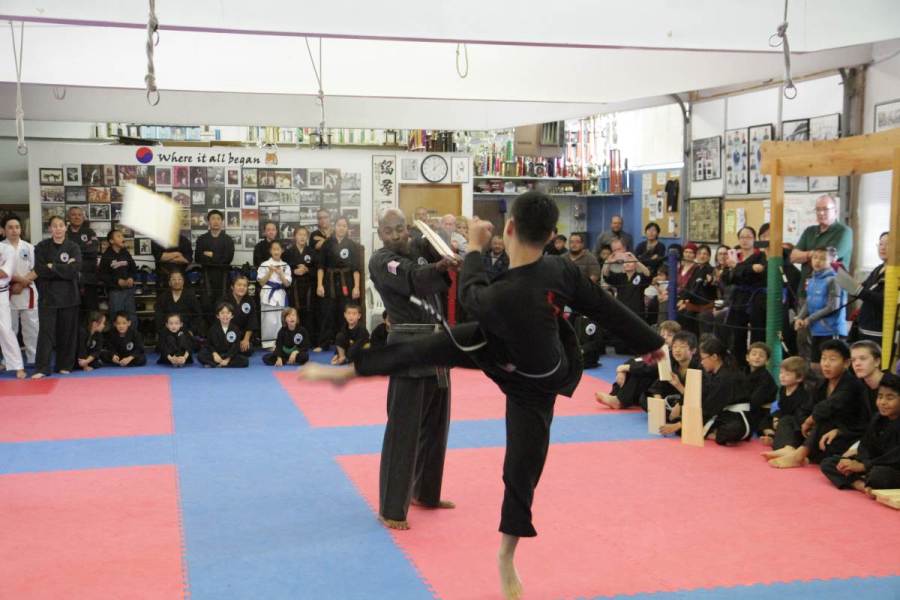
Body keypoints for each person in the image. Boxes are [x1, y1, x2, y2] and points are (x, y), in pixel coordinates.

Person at [300, 191, 665, 600]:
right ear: (551, 234)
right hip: (504, 348)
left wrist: (473, 247)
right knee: (425, 350)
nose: (398, 233)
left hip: (531, 381)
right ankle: (350, 370)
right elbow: (603, 305)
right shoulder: (559, 268)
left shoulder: (505, 291)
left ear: (508, 228)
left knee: (520, 469)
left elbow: (473, 295)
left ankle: (505, 556)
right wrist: (651, 341)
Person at [366, 208, 457, 529]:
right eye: (389, 231)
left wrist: (444, 245)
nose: (396, 235)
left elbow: (437, 250)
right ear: (380, 234)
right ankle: (391, 509)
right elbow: (414, 278)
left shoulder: (418, 245)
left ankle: (426, 493)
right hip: (408, 347)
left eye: (400, 228)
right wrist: (440, 266)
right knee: (403, 431)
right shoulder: (381, 261)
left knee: (436, 426)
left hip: (438, 346)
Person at [764, 339, 868, 468]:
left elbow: (828, 406)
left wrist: (810, 421)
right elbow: (806, 408)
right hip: (816, 433)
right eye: (823, 358)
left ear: (846, 363)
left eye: (832, 359)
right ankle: (789, 448)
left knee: (822, 420)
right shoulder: (822, 384)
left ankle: (799, 455)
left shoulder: (852, 384)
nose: (826, 364)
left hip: (841, 434)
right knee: (787, 420)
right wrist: (805, 422)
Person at [659, 337, 753, 445]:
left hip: (737, 416)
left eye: (703, 358)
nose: (702, 362)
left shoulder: (726, 377)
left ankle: (712, 433)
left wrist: (679, 425)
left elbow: (709, 408)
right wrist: (678, 386)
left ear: (714, 357)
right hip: (721, 414)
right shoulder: (714, 374)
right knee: (682, 426)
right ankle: (711, 432)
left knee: (729, 431)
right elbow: (702, 398)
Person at [820, 372, 900, 494]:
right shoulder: (877, 418)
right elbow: (865, 445)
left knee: (878, 475)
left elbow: (895, 457)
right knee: (830, 463)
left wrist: (864, 466)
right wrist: (858, 462)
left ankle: (864, 480)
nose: (883, 402)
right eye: (880, 397)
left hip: (892, 468)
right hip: (873, 464)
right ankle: (861, 485)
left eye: (890, 398)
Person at [33, 215, 82, 379]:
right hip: (48, 297)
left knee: (67, 333)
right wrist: (63, 268)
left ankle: (64, 365)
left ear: (65, 227)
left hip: (69, 296)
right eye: (54, 226)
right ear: (50, 229)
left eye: (61, 225)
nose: (58, 228)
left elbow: (74, 270)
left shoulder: (73, 247)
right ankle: (42, 368)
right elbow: (40, 270)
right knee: (46, 334)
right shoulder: (41, 247)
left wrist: (52, 266)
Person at [595, 320, 681, 409]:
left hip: (662, 385)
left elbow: (651, 368)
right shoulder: (657, 348)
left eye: (669, 335)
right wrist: (622, 369)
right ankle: (615, 395)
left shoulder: (674, 352)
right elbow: (637, 359)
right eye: (662, 335)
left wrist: (627, 368)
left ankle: (620, 401)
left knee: (638, 372)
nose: (665, 338)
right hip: (649, 383)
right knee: (632, 369)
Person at [793, 247, 848, 365]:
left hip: (831, 330)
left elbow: (833, 306)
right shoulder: (812, 279)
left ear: (831, 260)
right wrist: (800, 317)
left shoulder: (834, 279)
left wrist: (809, 319)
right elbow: (808, 301)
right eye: (815, 257)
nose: (817, 261)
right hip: (816, 330)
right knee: (815, 365)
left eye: (823, 259)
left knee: (831, 366)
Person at [790, 194, 853, 294]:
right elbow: (793, 257)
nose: (821, 213)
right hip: (805, 290)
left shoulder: (844, 231)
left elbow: (828, 258)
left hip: (830, 293)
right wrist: (812, 254)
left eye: (825, 209)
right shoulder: (809, 231)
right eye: (818, 209)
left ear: (835, 211)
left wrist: (805, 255)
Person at [723, 226, 767, 367]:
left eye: (748, 237)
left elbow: (759, 272)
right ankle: (739, 365)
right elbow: (727, 278)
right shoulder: (734, 255)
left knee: (757, 334)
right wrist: (746, 269)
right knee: (737, 334)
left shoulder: (761, 255)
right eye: (742, 237)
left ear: (754, 239)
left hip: (756, 297)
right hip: (738, 297)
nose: (745, 240)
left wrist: (738, 268)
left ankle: (756, 365)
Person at [316, 216, 361, 350]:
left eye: (344, 226)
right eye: (339, 225)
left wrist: (356, 287)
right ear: (334, 227)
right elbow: (321, 266)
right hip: (329, 281)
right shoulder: (327, 243)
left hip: (346, 281)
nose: (341, 228)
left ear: (347, 228)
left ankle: (344, 343)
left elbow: (356, 269)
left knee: (345, 313)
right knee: (327, 313)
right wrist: (319, 285)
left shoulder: (352, 245)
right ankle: (323, 343)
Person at [835, 231, 888, 344]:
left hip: (879, 330)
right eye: (880, 244)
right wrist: (846, 282)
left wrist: (859, 291)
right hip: (865, 326)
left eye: (888, 244)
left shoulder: (895, 273)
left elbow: (884, 300)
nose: (883, 248)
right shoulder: (878, 268)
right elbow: (862, 288)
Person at [1, 214, 38, 364]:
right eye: (10, 227)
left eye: (17, 227)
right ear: (3, 230)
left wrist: (22, 283)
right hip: (7, 292)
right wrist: (19, 281)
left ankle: (33, 358)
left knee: (32, 327)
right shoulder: (1, 248)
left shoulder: (29, 247)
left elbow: (36, 269)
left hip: (27, 291)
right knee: (9, 329)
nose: (14, 230)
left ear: (21, 229)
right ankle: (8, 361)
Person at [639, 331, 700, 413]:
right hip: (672, 398)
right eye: (674, 347)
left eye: (682, 347)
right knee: (644, 398)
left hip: (689, 401)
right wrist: (658, 402)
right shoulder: (671, 363)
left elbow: (697, 398)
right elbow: (658, 386)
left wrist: (678, 385)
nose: (677, 350)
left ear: (693, 350)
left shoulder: (698, 368)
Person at [761, 356, 813, 448]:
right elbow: (778, 405)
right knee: (766, 418)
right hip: (783, 418)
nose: (782, 376)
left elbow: (800, 416)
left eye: (787, 374)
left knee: (786, 422)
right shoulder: (782, 389)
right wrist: (776, 417)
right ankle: (771, 435)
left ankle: (779, 442)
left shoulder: (803, 394)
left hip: (795, 423)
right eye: (781, 373)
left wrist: (780, 420)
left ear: (799, 378)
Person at [195, 210, 235, 326]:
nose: (216, 221)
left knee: (223, 307)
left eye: (218, 219)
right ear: (209, 221)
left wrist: (210, 255)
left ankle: (223, 331)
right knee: (206, 306)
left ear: (222, 221)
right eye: (213, 218)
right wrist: (218, 257)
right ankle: (208, 334)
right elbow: (198, 258)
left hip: (223, 278)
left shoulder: (228, 240)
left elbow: (227, 259)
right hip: (207, 277)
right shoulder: (202, 239)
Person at [284, 226, 317, 344]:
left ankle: (308, 341)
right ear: (295, 237)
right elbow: (284, 270)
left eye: (304, 235)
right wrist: (294, 271)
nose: (302, 237)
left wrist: (307, 270)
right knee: (294, 312)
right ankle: (294, 339)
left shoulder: (312, 252)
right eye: (300, 234)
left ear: (307, 237)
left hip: (309, 287)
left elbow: (317, 269)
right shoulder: (288, 253)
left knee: (309, 313)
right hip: (294, 288)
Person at [98, 229, 138, 324]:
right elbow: (102, 275)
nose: (122, 238)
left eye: (122, 236)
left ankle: (132, 333)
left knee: (131, 316)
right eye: (119, 236)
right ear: (111, 241)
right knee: (116, 316)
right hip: (115, 291)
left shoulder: (126, 253)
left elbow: (133, 269)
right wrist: (117, 281)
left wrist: (131, 278)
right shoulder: (106, 256)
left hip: (128, 290)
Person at [676, 244, 717, 336]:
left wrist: (684, 300)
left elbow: (699, 287)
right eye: (700, 253)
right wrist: (681, 298)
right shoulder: (696, 269)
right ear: (696, 256)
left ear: (709, 257)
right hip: (694, 303)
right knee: (680, 314)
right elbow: (689, 286)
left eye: (705, 254)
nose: (702, 256)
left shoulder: (711, 270)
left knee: (688, 316)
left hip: (705, 304)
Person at [257, 240, 292, 346]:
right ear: (270, 251)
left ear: (282, 250)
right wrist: (270, 272)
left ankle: (279, 344)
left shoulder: (285, 265)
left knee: (280, 320)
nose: (276, 251)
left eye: (278, 249)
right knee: (268, 320)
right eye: (274, 249)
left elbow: (287, 284)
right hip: (268, 293)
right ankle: (268, 344)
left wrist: (281, 274)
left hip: (280, 293)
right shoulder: (264, 264)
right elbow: (261, 282)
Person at [66, 206, 99, 313]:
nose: (77, 217)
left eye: (79, 215)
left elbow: (93, 250)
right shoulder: (64, 233)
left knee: (92, 312)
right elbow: (63, 254)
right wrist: (84, 246)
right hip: (71, 279)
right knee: (73, 311)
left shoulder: (90, 232)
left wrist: (73, 250)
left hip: (89, 277)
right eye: (74, 214)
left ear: (83, 217)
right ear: (68, 217)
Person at [0, 239, 25, 377]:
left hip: (1, 293)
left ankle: (18, 366)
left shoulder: (6, 249)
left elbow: (4, 273)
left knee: (5, 329)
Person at [197, 302, 250, 368]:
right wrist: (214, 354)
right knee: (201, 355)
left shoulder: (235, 329)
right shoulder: (213, 329)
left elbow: (235, 346)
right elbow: (209, 344)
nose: (225, 315)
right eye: (222, 313)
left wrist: (228, 359)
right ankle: (221, 363)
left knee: (245, 361)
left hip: (229, 354)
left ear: (232, 316)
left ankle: (217, 364)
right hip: (217, 354)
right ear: (217, 316)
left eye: (228, 313)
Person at [155, 271, 203, 338]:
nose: (177, 282)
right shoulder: (163, 297)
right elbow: (158, 317)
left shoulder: (190, 296)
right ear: (169, 283)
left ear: (183, 282)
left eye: (179, 279)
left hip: (186, 330)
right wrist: (163, 331)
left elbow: (198, 315)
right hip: (167, 332)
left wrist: (192, 330)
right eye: (173, 279)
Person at [745, 342, 778, 434]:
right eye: (754, 354)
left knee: (763, 427)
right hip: (750, 408)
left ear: (767, 361)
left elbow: (755, 401)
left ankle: (769, 434)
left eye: (761, 355)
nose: (757, 357)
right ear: (747, 358)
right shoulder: (744, 373)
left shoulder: (766, 378)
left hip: (763, 412)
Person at [223, 275, 258, 355]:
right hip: (226, 335)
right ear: (232, 287)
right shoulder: (224, 300)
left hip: (242, 335)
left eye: (245, 286)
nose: (242, 287)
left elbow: (252, 321)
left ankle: (233, 351)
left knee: (248, 349)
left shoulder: (250, 301)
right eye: (239, 285)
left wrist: (246, 339)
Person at [850, 340, 885, 420]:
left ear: (877, 361)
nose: (857, 364)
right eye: (853, 360)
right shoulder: (856, 386)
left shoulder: (894, 385)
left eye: (863, 358)